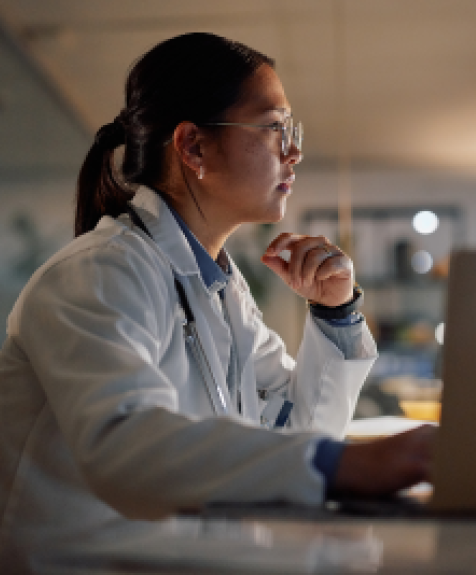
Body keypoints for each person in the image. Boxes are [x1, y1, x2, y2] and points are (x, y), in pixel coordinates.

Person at [0, 33, 435, 569]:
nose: (294, 151)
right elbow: (122, 443)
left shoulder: (221, 291)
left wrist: (335, 312)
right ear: (194, 146)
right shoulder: (101, 271)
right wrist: (342, 464)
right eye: (275, 128)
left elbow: (299, 433)